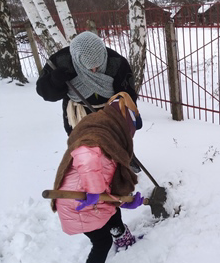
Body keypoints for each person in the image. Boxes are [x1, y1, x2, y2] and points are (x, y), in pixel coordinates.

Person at [51, 92, 144, 263]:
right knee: (101, 242)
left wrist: (123, 200)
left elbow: (106, 182)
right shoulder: (98, 138)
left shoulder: (106, 133)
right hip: (78, 205)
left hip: (89, 200)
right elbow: (85, 154)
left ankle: (122, 236)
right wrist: (94, 190)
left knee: (112, 213)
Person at [36, 31, 142, 172]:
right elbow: (44, 92)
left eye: (98, 67)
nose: (93, 70)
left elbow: (127, 93)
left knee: (117, 139)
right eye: (88, 67)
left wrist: (131, 115)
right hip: (78, 112)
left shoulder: (116, 62)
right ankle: (90, 171)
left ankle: (124, 160)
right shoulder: (61, 61)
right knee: (83, 145)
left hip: (109, 110)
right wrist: (54, 81)